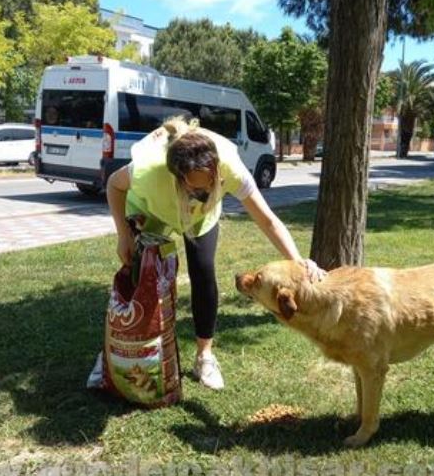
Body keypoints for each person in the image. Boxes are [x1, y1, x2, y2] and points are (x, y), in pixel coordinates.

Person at [106, 117, 324, 390]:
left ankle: (204, 356)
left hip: (200, 220)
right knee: (138, 275)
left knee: (204, 271)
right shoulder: (149, 170)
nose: (207, 192)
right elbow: (114, 185)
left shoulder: (229, 168)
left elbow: (267, 219)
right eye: (198, 189)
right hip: (151, 210)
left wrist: (298, 260)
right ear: (178, 177)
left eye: (211, 185)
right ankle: (117, 350)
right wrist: (123, 235)